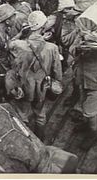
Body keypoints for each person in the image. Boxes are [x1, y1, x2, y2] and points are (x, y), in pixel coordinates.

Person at [7, 11, 63, 141]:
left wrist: (21, 33)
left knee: (22, 114)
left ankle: (25, 139)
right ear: (43, 27)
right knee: (40, 115)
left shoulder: (18, 45)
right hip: (41, 87)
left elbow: (8, 44)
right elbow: (57, 72)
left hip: (23, 86)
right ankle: (40, 139)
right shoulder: (52, 48)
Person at [68, 0, 97, 151]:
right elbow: (72, 49)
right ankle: (86, 125)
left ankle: (92, 134)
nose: (89, 32)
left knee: (91, 110)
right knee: (84, 102)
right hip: (84, 77)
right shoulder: (83, 34)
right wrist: (79, 47)